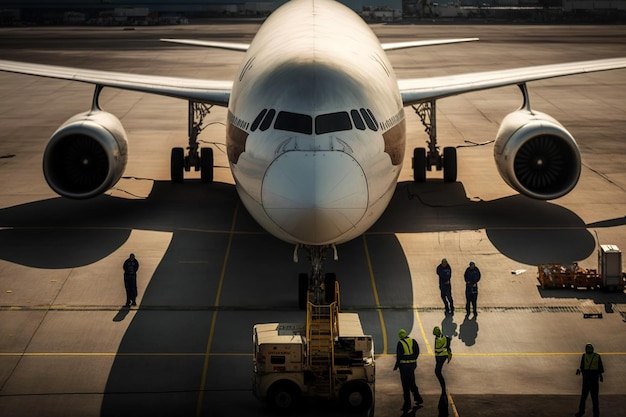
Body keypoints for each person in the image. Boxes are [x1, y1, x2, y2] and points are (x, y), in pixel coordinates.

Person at [393, 329, 423, 412]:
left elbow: (399, 357)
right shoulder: (413, 341)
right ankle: (418, 398)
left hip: (404, 367)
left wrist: (396, 366)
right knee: (412, 382)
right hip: (412, 366)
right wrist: (412, 358)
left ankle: (407, 404)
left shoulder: (400, 343)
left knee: (405, 386)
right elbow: (417, 352)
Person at [575, 343, 604, 417]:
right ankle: (596, 413)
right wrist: (600, 376)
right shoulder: (597, 356)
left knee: (583, 397)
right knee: (595, 398)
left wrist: (581, 372)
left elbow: (582, 367)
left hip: (586, 380)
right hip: (594, 379)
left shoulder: (584, 356)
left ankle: (581, 411)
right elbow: (600, 368)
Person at [433, 326, 452, 394]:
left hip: (440, 357)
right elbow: (448, 342)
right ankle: (443, 387)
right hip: (444, 355)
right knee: (438, 371)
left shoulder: (437, 339)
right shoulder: (444, 337)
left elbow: (437, 350)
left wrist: (436, 359)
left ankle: (443, 387)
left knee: (437, 371)